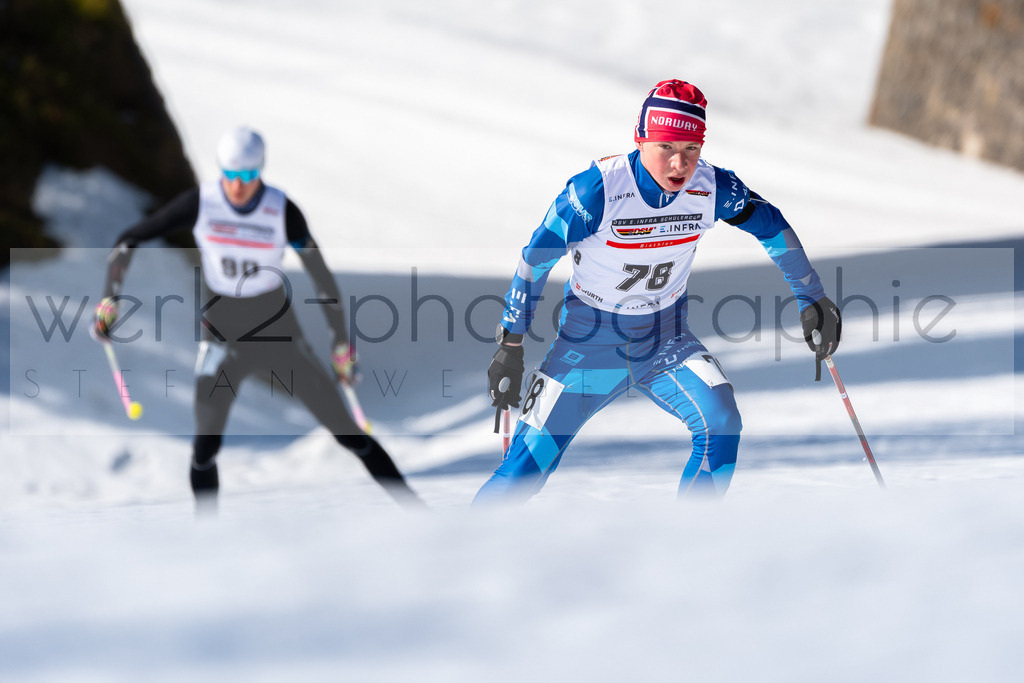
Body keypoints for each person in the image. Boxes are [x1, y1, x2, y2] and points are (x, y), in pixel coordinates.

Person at [477, 80, 841, 502]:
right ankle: (458, 541)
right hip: (588, 347)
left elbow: (771, 225)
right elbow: (535, 258)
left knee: (722, 423)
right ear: (641, 138)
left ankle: (688, 536)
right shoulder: (596, 191)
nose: (679, 163)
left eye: (691, 148)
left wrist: (811, 297)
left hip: (667, 341)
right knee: (523, 470)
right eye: (666, 146)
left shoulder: (712, 187)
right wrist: (511, 343)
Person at [93, 126, 422, 508]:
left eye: (247, 175)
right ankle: (205, 534)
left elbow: (322, 279)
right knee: (204, 447)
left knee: (349, 434)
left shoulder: (282, 210)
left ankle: (421, 515)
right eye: (230, 175)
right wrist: (109, 300)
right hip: (222, 337)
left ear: (260, 170)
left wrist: (340, 342)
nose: (238, 186)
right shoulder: (201, 203)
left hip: (278, 335)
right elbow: (129, 240)